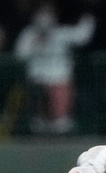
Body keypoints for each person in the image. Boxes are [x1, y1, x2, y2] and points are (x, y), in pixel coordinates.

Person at [14, 2, 95, 135]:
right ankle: (39, 122)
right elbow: (20, 54)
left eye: (49, 13)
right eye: (42, 13)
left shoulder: (60, 32)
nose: (45, 17)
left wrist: (89, 16)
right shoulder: (28, 34)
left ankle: (60, 122)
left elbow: (82, 37)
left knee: (61, 91)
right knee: (39, 95)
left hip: (60, 77)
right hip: (37, 78)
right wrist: (36, 43)